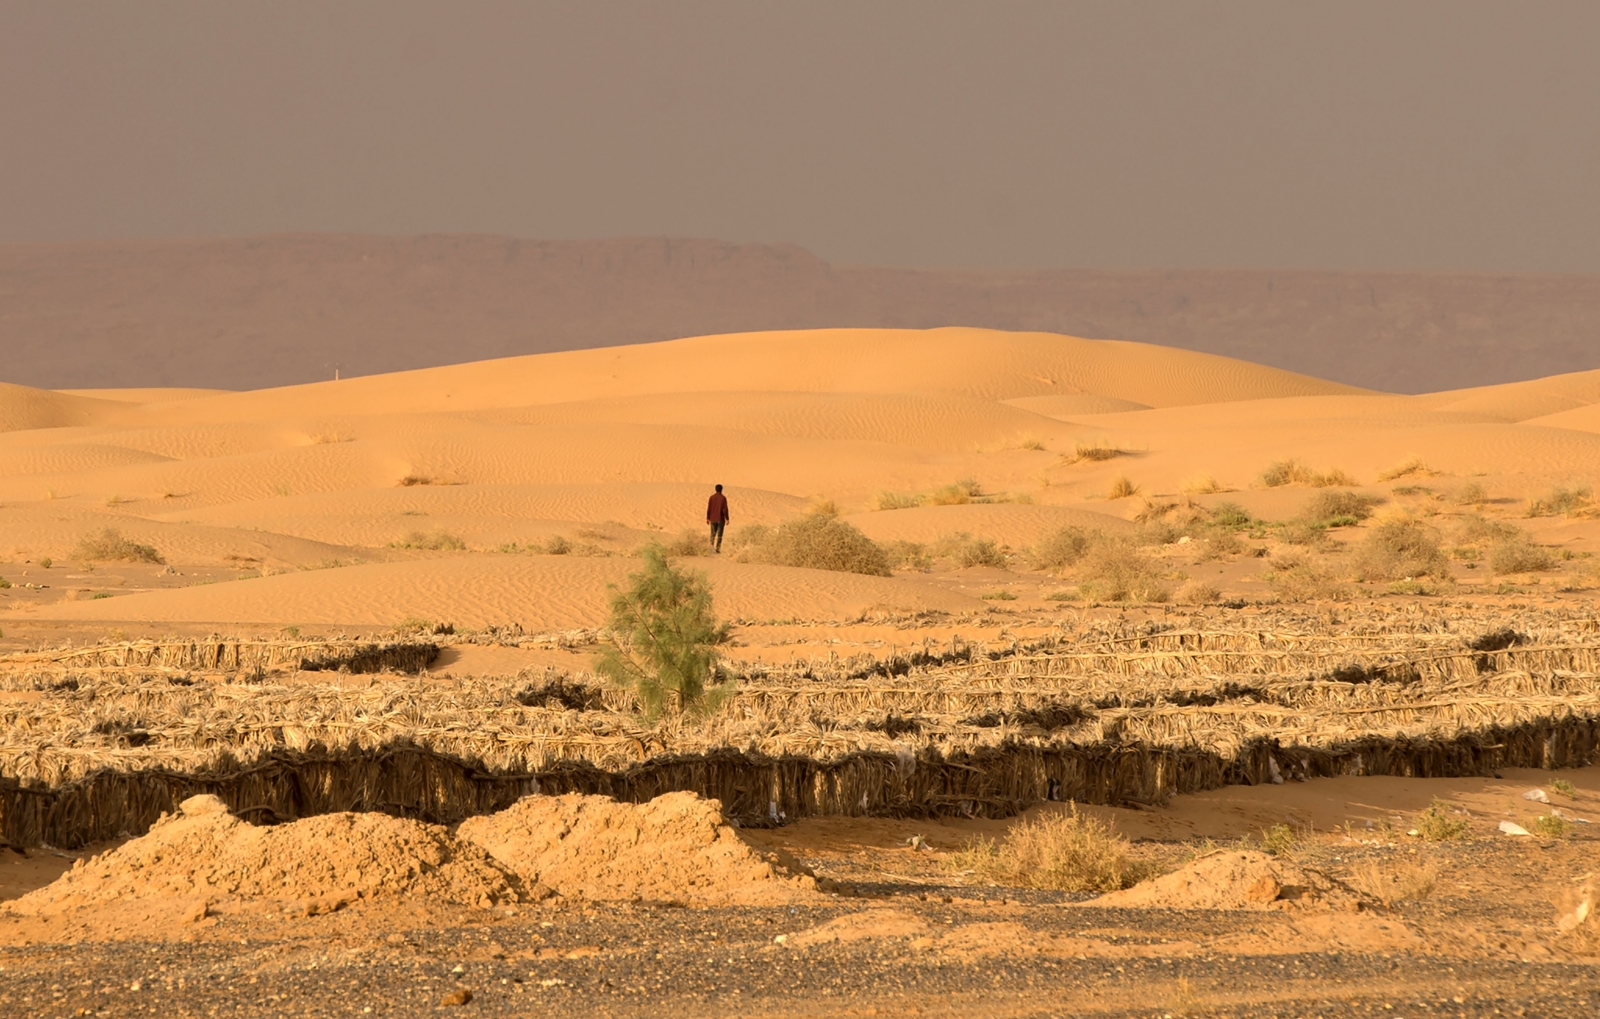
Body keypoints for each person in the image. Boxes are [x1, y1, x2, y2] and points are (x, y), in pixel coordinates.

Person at [706, 484, 730, 553]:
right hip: (720, 519)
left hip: (712, 518)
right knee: (719, 535)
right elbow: (725, 509)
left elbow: (709, 508)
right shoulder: (723, 498)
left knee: (712, 534)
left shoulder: (711, 497)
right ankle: (717, 549)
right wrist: (727, 518)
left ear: (715, 489)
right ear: (721, 489)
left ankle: (711, 548)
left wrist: (707, 518)